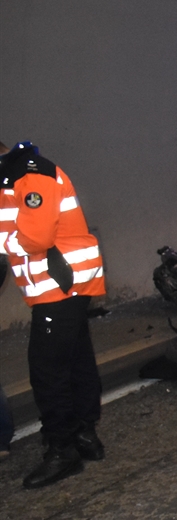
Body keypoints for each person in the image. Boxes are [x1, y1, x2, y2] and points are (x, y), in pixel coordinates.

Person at [0, 140, 107, 489]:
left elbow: (36, 237)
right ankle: (85, 435)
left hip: (59, 285)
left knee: (47, 369)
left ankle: (62, 450)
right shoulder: (13, 176)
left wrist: (3, 245)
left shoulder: (30, 175)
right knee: (76, 359)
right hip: (62, 285)